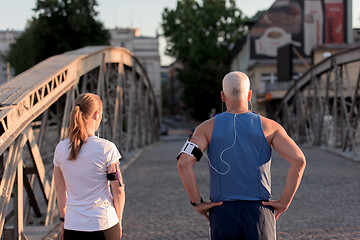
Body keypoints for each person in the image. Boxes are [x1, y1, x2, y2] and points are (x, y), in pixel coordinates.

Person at [177, 71, 306, 239]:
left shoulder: (206, 128)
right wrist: (284, 202)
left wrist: (197, 203)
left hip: (222, 213)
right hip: (259, 212)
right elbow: (299, 160)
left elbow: (183, 162)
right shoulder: (271, 127)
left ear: (222, 96)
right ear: (250, 95)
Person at [53, 93, 125, 240]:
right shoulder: (106, 148)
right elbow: (118, 190)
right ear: (97, 115)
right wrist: (119, 220)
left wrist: (63, 220)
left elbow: (60, 189)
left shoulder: (61, 148)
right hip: (104, 224)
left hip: (73, 226)